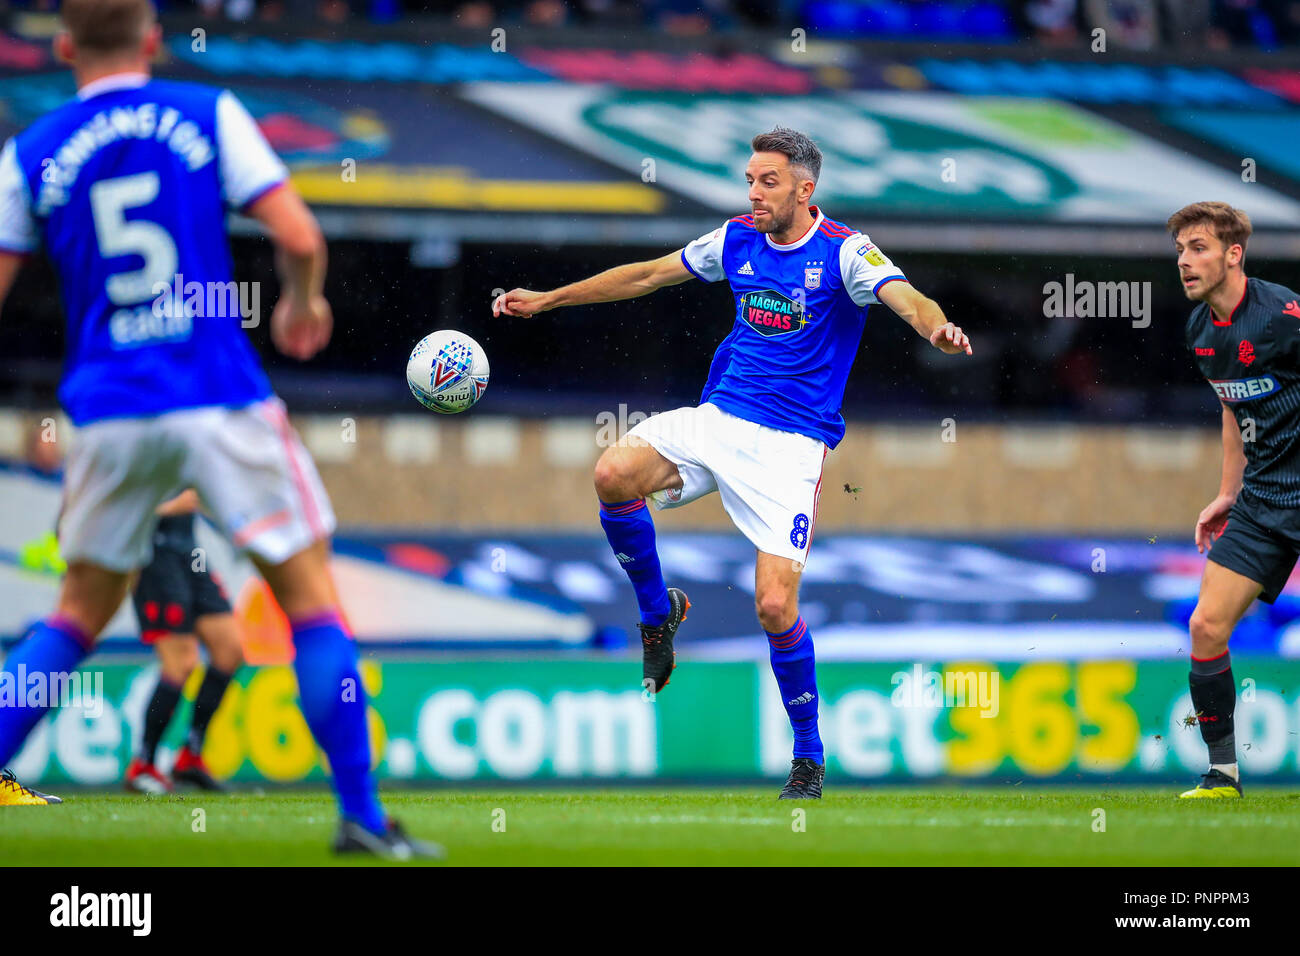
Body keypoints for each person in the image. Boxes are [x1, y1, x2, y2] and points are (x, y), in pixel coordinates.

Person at [0, 0, 438, 858]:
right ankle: (361, 818)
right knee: (311, 605)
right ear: (154, 41)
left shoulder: (30, 149)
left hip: (107, 404)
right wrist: (302, 301)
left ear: (61, 47)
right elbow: (300, 235)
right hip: (215, 390)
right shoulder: (204, 113)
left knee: (76, 615)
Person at [494, 127, 971, 799]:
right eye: (750, 179)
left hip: (790, 449)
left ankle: (808, 759)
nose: (754, 192)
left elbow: (909, 299)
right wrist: (549, 298)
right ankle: (658, 613)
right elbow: (645, 276)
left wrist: (936, 328)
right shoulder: (734, 240)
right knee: (611, 474)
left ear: (806, 190)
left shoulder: (845, 252)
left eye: (768, 182)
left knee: (774, 608)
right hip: (718, 419)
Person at [1172, 200, 1300, 798]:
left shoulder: (1283, 315)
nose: (1185, 261)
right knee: (1205, 626)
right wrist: (1228, 491)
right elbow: (1232, 405)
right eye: (1179, 250)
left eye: (1198, 248)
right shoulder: (1199, 329)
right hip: (1265, 496)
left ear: (1233, 255)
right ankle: (1222, 775)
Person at [124, 490, 242, 794]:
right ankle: (143, 764)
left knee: (229, 648)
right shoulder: (138, 443)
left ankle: (190, 755)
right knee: (181, 663)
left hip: (190, 551)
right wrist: (168, 507)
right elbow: (118, 499)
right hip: (154, 555)